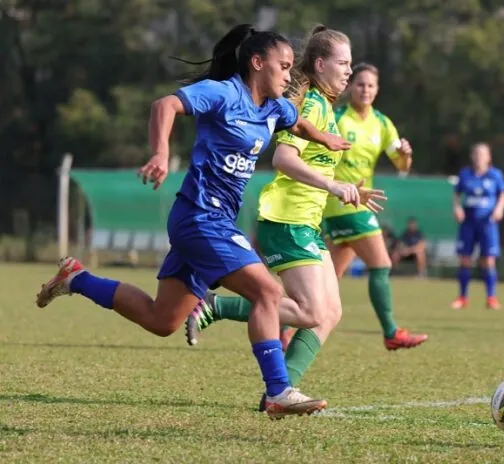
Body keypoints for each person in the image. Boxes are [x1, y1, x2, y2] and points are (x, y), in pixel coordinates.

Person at [35, 24, 352, 419]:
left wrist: (324, 138)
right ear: (257, 63)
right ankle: (277, 392)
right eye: (283, 66)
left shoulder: (275, 107)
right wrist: (161, 154)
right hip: (200, 217)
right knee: (268, 293)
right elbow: (163, 106)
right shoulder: (224, 93)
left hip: (215, 221)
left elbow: (297, 122)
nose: (290, 76)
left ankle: (76, 278)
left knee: (161, 319)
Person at [182, 26, 385, 408]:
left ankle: (280, 391)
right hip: (286, 219)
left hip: (306, 221)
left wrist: (350, 187)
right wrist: (332, 185)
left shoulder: (326, 106)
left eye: (350, 63)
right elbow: (283, 159)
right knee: (310, 311)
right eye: (342, 63)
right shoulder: (309, 105)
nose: (348, 71)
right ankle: (215, 305)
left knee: (330, 313)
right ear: (321, 64)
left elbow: (315, 163)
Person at [320, 62, 427, 348]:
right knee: (381, 264)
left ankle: (283, 325)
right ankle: (391, 333)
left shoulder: (381, 123)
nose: (365, 89)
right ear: (350, 87)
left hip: (359, 204)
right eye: (360, 84)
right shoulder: (338, 117)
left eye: (370, 85)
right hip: (342, 202)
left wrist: (405, 154)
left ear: (377, 90)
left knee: (326, 282)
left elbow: (402, 164)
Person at [450, 143, 504, 310]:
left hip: (487, 223)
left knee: (488, 260)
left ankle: (491, 298)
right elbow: (456, 193)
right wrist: (457, 207)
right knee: (465, 259)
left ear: (488, 157)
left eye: (482, 154)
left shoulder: (495, 175)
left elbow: (503, 194)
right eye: (476, 154)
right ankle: (462, 297)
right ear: (471, 156)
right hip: (468, 222)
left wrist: (499, 209)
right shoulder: (465, 174)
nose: (478, 157)